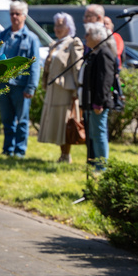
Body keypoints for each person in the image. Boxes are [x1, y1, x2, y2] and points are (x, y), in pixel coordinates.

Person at [0, 0, 40, 158]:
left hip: (21, 86)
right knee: (7, 120)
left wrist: (31, 87)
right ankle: (8, 149)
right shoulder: (3, 35)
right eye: (12, 13)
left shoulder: (31, 39)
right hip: (4, 84)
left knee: (21, 121)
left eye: (18, 14)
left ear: (24, 16)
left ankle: (20, 151)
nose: (14, 17)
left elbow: (34, 66)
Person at [37, 12, 84, 163]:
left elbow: (77, 67)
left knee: (65, 122)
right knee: (56, 122)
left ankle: (66, 155)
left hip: (66, 89)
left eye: (60, 25)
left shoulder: (73, 43)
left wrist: (77, 90)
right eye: (56, 24)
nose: (56, 28)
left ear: (69, 27)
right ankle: (62, 154)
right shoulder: (54, 44)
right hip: (53, 89)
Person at [81, 22, 116, 170]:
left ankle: (102, 167)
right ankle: (96, 163)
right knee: (93, 134)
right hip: (90, 101)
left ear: (98, 37)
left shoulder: (104, 53)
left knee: (99, 134)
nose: (85, 37)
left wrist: (98, 103)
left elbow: (105, 81)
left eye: (88, 34)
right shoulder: (94, 52)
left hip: (98, 103)